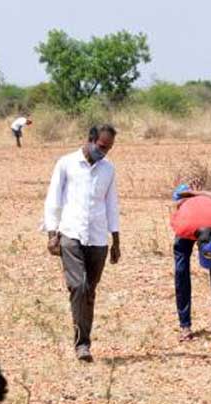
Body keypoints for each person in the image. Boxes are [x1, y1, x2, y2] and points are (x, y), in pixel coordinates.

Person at [43, 124, 122, 362]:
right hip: (71, 233)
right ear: (90, 140)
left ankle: (83, 337)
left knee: (89, 291)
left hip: (98, 238)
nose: (104, 152)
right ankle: (82, 345)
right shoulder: (66, 163)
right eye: (101, 147)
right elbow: (53, 199)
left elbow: (111, 205)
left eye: (108, 149)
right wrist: (51, 233)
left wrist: (116, 240)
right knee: (78, 286)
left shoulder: (108, 169)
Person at [170, 183, 211, 341]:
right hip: (187, 223)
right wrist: (188, 197)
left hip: (209, 225)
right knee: (181, 274)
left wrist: (197, 193)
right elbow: (176, 205)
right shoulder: (182, 226)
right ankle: (185, 326)